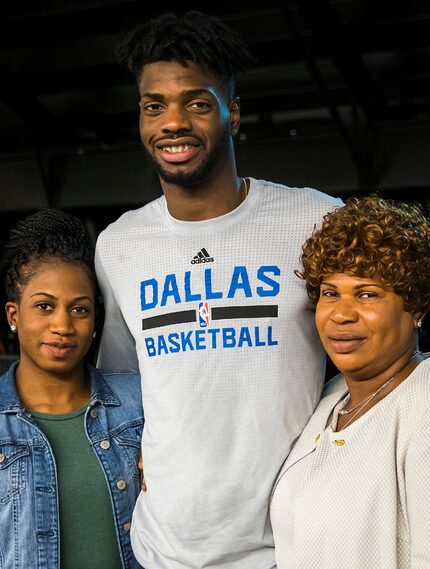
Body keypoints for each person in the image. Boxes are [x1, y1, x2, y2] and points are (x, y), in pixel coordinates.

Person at [95, 10, 342, 569]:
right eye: (153, 105)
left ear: (233, 114)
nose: (172, 122)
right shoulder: (120, 244)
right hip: (159, 551)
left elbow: (369, 356)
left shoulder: (314, 220)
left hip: (291, 546)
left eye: (197, 103)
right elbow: (122, 385)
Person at [270, 194, 430, 568]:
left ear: (416, 305)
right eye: (330, 293)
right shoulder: (331, 399)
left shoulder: (424, 407)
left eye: (367, 294)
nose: (341, 314)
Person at [0, 209, 144, 569]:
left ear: (95, 321)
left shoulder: (139, 403)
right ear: (13, 315)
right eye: (44, 307)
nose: (62, 325)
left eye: (79, 309)